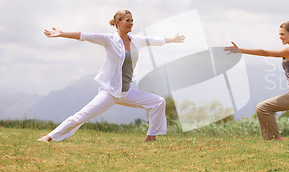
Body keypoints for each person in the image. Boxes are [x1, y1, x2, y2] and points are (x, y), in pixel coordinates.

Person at [38, 10, 185, 142]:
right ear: (118, 22)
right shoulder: (109, 39)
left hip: (125, 92)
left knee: (158, 102)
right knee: (81, 116)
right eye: (128, 20)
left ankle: (151, 137)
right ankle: (49, 137)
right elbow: (84, 35)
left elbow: (154, 40)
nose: (131, 23)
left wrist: (172, 39)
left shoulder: (136, 40)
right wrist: (62, 33)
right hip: (110, 92)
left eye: (132, 20)